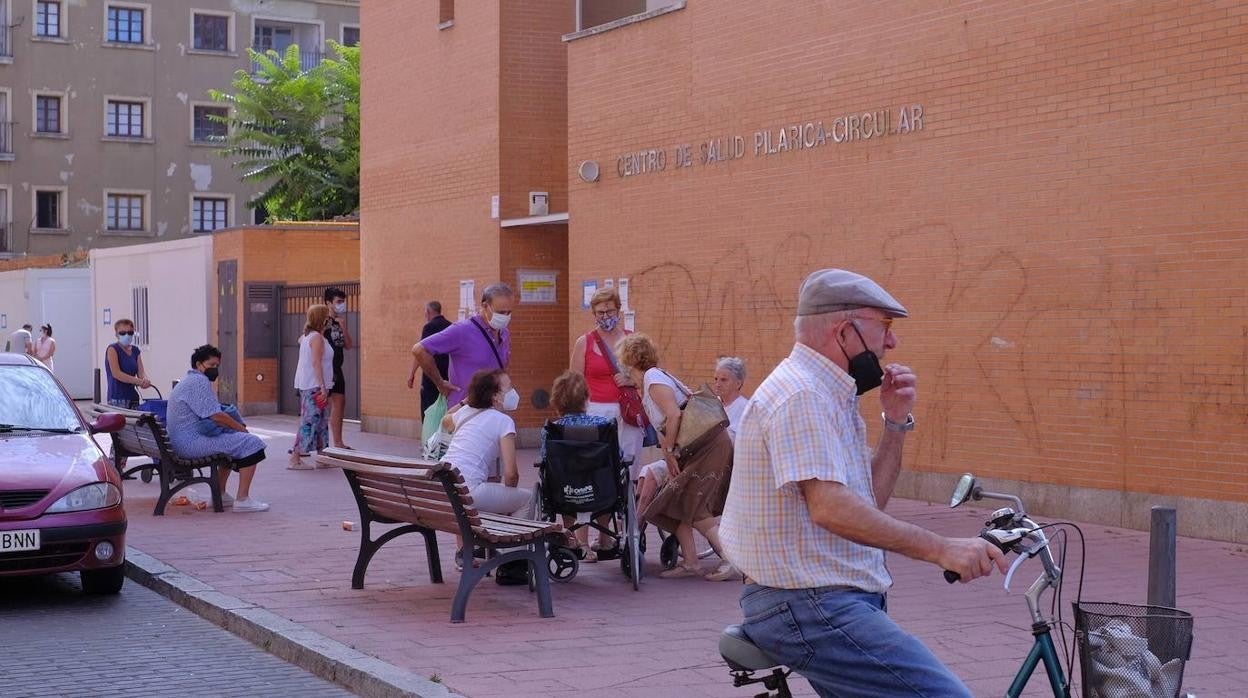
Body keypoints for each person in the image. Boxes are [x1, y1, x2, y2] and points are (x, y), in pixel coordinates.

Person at [720, 269, 1007, 697]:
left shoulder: (831, 393)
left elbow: (867, 505)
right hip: (810, 604)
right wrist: (943, 549)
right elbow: (830, 507)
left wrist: (895, 423)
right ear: (843, 332)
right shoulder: (803, 395)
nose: (891, 343)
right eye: (884, 328)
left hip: (824, 601)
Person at [619, 333, 734, 580]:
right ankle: (691, 562)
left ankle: (730, 559)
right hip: (696, 446)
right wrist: (670, 452)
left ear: (631, 360)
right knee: (679, 501)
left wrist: (669, 452)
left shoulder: (652, 378)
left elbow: (674, 416)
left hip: (706, 446)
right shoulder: (655, 379)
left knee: (694, 505)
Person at [167, 344, 269, 513]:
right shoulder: (198, 382)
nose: (215, 369)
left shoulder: (189, 380)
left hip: (181, 441)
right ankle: (243, 499)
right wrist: (241, 429)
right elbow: (216, 415)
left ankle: (219, 494)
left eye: (217, 366)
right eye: (211, 365)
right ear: (199, 365)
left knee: (232, 441)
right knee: (252, 443)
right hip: (190, 444)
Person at [537, 370, 614, 562]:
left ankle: (576, 541)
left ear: (556, 400)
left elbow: (545, 459)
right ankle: (605, 540)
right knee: (606, 477)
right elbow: (616, 457)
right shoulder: (604, 425)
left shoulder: (552, 430)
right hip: (600, 491)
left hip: (566, 492)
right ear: (586, 398)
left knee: (561, 479)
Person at [441, 369, 533, 519]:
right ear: (495, 396)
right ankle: (514, 542)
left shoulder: (465, 412)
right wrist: (508, 500)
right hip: (468, 490)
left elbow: (445, 420)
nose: (512, 392)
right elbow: (511, 474)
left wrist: (466, 401)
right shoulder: (504, 422)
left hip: (443, 486)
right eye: (508, 387)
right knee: (527, 499)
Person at [570, 286, 644, 466]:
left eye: (609, 311)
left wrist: (631, 380)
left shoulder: (631, 339)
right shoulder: (584, 342)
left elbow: (646, 375)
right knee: (599, 465)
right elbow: (574, 383)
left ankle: (629, 494)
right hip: (595, 411)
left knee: (629, 464)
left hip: (627, 410)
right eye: (600, 312)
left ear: (618, 310)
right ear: (594, 314)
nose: (605, 316)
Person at [409, 283, 513, 407]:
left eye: (509, 312)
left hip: (494, 409)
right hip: (465, 412)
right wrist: (440, 383)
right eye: (501, 312)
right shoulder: (462, 330)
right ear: (485, 306)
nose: (505, 317)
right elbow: (419, 350)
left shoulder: (504, 333)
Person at [289, 304, 334, 470]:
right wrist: (322, 387)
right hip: (314, 386)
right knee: (308, 422)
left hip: (316, 385)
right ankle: (295, 458)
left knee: (321, 422)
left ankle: (323, 457)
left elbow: (301, 340)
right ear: (321, 318)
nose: (329, 319)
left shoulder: (311, 336)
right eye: (327, 316)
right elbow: (316, 363)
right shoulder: (316, 338)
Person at [322, 287, 355, 450]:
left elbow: (349, 345)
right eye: (338, 302)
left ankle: (338, 441)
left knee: (340, 403)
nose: (342, 305)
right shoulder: (322, 321)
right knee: (320, 406)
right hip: (326, 369)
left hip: (337, 367)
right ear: (328, 303)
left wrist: (343, 327)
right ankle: (310, 445)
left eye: (343, 302)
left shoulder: (339, 321)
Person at [410, 300, 452, 416]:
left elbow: (420, 352)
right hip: (448, 376)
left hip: (431, 376)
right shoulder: (451, 326)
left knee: (429, 411)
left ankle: (430, 433)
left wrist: (412, 374)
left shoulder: (429, 327)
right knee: (446, 410)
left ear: (428, 312)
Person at [105, 319, 150, 409]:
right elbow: (116, 374)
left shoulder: (135, 350)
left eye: (130, 333)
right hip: (117, 399)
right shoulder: (113, 349)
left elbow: (141, 372)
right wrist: (138, 381)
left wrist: (145, 380)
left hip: (133, 398)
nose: (127, 335)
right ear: (117, 335)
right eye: (122, 333)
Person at [712, 356, 748, 441]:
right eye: (716, 379)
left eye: (723, 380)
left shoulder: (746, 409)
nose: (717, 384)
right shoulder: (712, 404)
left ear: (738, 384)